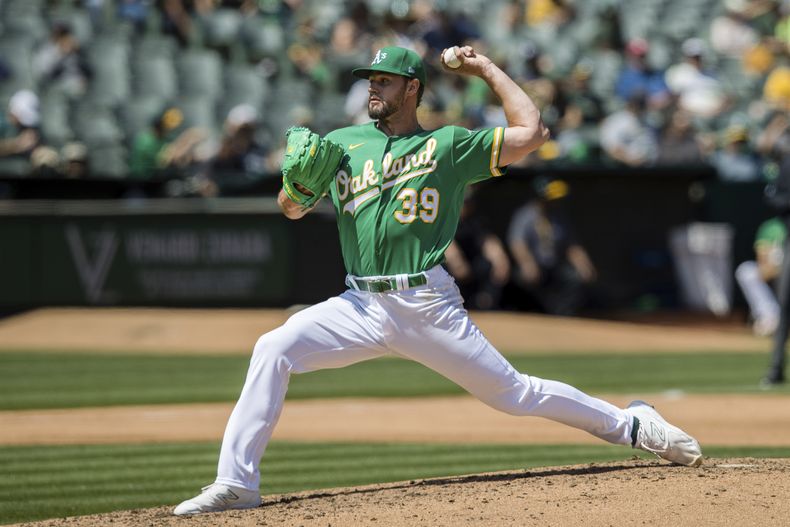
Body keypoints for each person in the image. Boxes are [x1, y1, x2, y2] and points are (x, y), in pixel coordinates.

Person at [173, 45, 703, 516]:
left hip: (425, 302)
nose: (373, 88)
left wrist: (487, 69)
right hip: (359, 302)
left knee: (513, 395)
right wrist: (295, 187)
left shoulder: (447, 146)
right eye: (369, 80)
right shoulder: (341, 143)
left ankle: (632, 426)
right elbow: (290, 209)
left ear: (413, 89)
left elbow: (533, 133)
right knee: (273, 347)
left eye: (383, 80)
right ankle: (236, 483)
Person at [507, 176, 596, 316]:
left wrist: (584, 265)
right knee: (521, 280)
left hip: (554, 266)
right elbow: (517, 243)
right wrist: (527, 263)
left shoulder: (558, 216)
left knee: (575, 278)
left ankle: (561, 314)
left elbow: (572, 246)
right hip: (535, 265)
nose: (553, 201)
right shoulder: (525, 215)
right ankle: (530, 314)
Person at [443, 190, 510, 310]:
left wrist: (500, 259)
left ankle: (485, 302)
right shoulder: (447, 220)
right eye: (464, 202)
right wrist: (457, 262)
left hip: (472, 264)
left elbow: (488, 241)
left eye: (469, 202)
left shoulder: (476, 220)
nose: (466, 206)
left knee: (487, 266)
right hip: (455, 267)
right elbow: (448, 246)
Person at [735, 217, 786, 336]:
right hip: (777, 271)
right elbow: (763, 265)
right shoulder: (772, 227)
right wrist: (779, 270)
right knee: (746, 271)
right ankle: (770, 318)